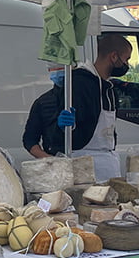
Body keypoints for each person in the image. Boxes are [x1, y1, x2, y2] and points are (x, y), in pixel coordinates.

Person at [56, 33, 133, 180]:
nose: (127, 65)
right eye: (126, 59)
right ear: (114, 56)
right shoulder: (79, 82)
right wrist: (65, 126)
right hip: (83, 160)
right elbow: (63, 126)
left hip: (107, 160)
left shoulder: (109, 88)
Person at [22, 64, 66, 158]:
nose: (58, 70)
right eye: (54, 67)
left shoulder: (86, 98)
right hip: (54, 160)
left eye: (62, 67)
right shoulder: (42, 103)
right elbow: (30, 140)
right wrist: (48, 159)